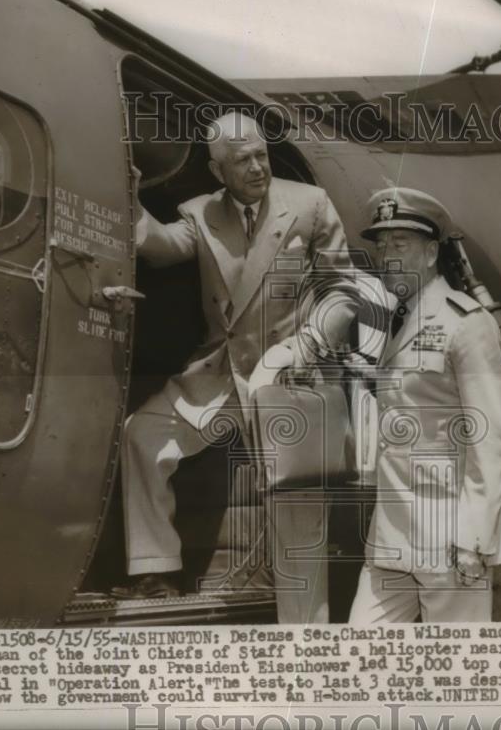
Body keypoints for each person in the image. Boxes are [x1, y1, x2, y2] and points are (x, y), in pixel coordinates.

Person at [116, 112, 355, 608]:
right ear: (217, 171)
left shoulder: (310, 205)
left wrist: (304, 347)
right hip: (220, 373)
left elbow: (343, 294)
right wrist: (129, 197)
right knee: (142, 436)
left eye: (261, 155)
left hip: (290, 374)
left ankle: (301, 614)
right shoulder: (201, 213)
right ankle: (155, 570)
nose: (256, 168)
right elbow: (159, 248)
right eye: (241, 160)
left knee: (295, 507)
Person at [348, 187, 501, 623]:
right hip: (391, 535)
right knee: (357, 660)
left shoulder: (467, 322)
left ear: (429, 253)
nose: (387, 255)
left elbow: (491, 438)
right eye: (381, 244)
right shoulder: (398, 319)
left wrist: (474, 535)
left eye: (399, 244)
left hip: (448, 536)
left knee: (456, 674)